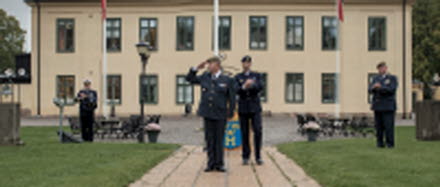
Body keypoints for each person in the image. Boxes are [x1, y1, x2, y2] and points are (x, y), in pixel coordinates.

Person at [186, 56, 236, 172]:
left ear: (217, 65)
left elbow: (232, 98)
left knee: (219, 139)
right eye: (208, 64)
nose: (208, 66)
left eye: (210, 63)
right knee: (209, 139)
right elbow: (189, 79)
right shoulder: (205, 77)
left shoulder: (227, 80)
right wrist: (196, 68)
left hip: (220, 113)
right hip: (207, 113)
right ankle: (210, 163)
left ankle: (219, 164)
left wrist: (230, 112)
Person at [234, 55, 264, 165]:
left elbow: (260, 86)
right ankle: (245, 156)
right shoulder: (238, 77)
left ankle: (258, 156)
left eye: (248, 62)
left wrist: (252, 85)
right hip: (243, 107)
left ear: (250, 64)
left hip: (255, 107)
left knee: (258, 130)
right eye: (244, 63)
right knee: (244, 132)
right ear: (242, 64)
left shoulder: (256, 75)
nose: (246, 64)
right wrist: (244, 86)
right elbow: (236, 89)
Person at [368, 62, 398, 148]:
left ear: (386, 68)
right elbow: (370, 89)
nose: (381, 70)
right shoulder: (375, 78)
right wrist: (374, 87)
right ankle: (379, 143)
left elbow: (391, 90)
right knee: (379, 126)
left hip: (388, 105)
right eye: (379, 68)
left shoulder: (392, 78)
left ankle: (390, 143)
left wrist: (380, 88)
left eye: (382, 68)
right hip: (377, 105)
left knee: (388, 126)